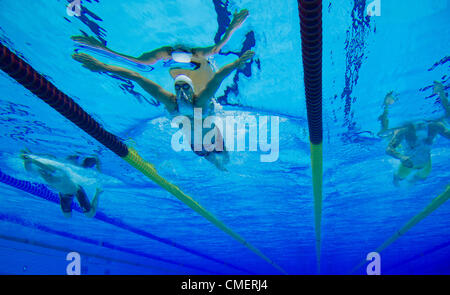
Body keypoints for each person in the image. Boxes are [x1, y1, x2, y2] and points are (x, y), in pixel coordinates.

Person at [72, 41, 254, 170]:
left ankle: (221, 165)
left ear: (192, 90)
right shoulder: (171, 102)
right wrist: (103, 65)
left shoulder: (201, 101)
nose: (182, 91)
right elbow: (137, 77)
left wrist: (236, 63)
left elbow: (218, 77)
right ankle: (215, 164)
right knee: (207, 156)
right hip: (196, 145)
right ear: (174, 89)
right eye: (178, 87)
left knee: (226, 159)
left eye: (185, 87)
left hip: (213, 138)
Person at [71, 9, 249, 94]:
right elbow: (216, 51)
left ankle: (99, 47)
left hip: (174, 64)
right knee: (144, 65)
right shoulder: (199, 67)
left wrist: (101, 55)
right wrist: (231, 28)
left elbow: (135, 71)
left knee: (143, 66)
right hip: (193, 66)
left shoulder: (173, 101)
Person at [378, 82, 450, 185]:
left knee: (420, 178)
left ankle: (412, 181)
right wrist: (401, 157)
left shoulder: (435, 127)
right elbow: (389, 149)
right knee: (398, 179)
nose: (419, 126)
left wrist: (442, 94)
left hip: (425, 164)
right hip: (407, 165)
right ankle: (386, 108)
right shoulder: (404, 131)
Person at [21, 151, 102, 218]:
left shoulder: (56, 172)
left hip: (76, 189)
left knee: (89, 214)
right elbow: (29, 170)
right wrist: (27, 161)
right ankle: (84, 158)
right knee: (67, 216)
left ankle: (98, 192)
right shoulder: (41, 172)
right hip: (65, 193)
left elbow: (48, 169)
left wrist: (32, 160)